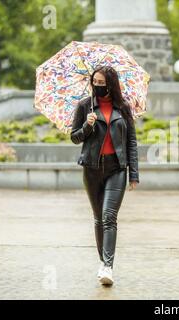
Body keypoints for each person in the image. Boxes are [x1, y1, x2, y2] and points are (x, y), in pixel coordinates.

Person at [70, 65, 139, 286]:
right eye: (95, 83)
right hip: (91, 169)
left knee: (110, 217)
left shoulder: (124, 108)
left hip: (116, 169)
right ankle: (103, 262)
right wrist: (87, 126)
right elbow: (75, 138)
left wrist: (134, 174)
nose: (97, 87)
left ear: (111, 84)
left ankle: (108, 266)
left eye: (102, 83)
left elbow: (131, 142)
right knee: (99, 218)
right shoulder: (85, 106)